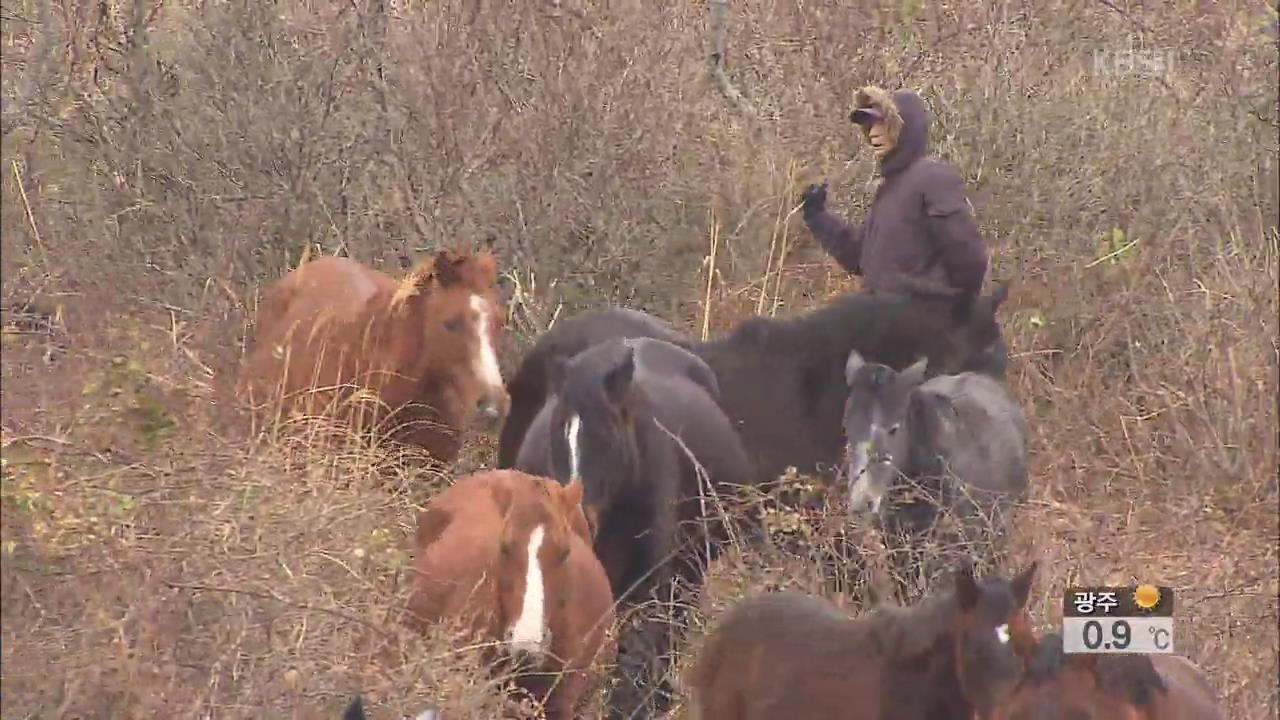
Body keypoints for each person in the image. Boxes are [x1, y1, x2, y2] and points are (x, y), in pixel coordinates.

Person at [800, 85, 1008, 378]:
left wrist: (953, 313)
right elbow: (861, 258)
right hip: (884, 333)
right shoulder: (892, 187)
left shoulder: (930, 176)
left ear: (903, 128)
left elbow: (969, 256)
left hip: (922, 340)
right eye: (869, 125)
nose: (873, 133)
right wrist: (817, 217)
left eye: (881, 123)